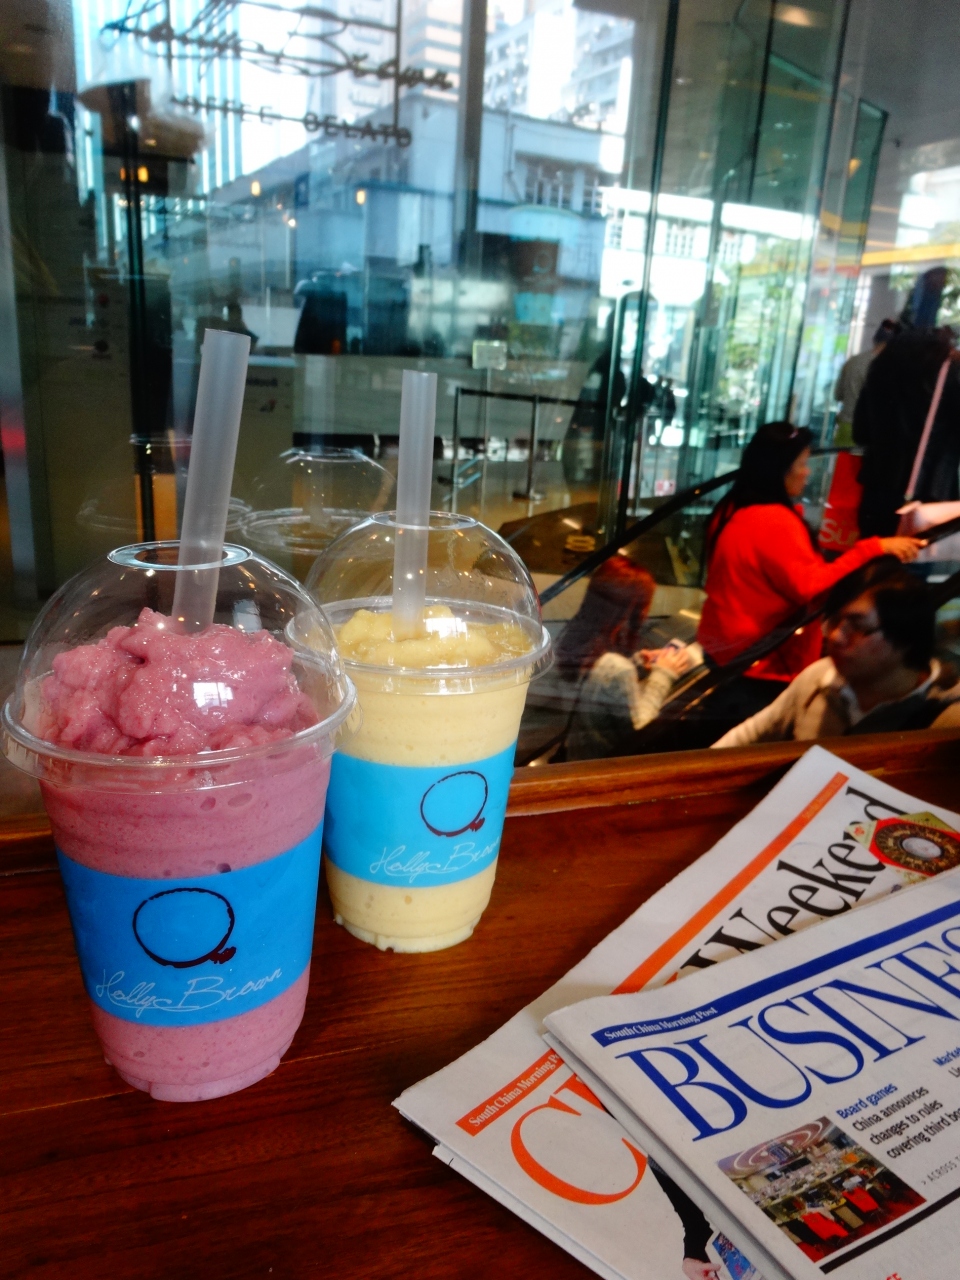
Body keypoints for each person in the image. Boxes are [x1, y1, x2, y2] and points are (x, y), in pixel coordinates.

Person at [693, 422, 924, 742]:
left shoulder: (731, 508)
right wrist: (873, 548)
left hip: (726, 651)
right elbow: (809, 585)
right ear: (781, 470)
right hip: (762, 664)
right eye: (801, 464)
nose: (807, 472)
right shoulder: (773, 520)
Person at [712, 561, 960, 747]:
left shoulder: (948, 719)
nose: (835, 637)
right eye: (834, 622)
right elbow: (745, 739)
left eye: (857, 627)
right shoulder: (818, 678)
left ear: (906, 636)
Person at [554, 554, 700, 759]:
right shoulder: (618, 669)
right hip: (604, 763)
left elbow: (598, 684)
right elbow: (639, 729)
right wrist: (663, 673)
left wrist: (637, 662)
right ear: (633, 610)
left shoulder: (577, 642)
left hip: (577, 754)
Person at [853, 327, 960, 535]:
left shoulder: (881, 368)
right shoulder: (950, 372)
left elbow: (860, 433)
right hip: (930, 497)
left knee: (875, 551)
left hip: (876, 492)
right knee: (919, 552)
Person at [832, 320, 897, 447]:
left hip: (844, 427)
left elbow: (838, 395)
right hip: (865, 432)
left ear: (874, 340)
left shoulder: (852, 361)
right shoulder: (883, 367)